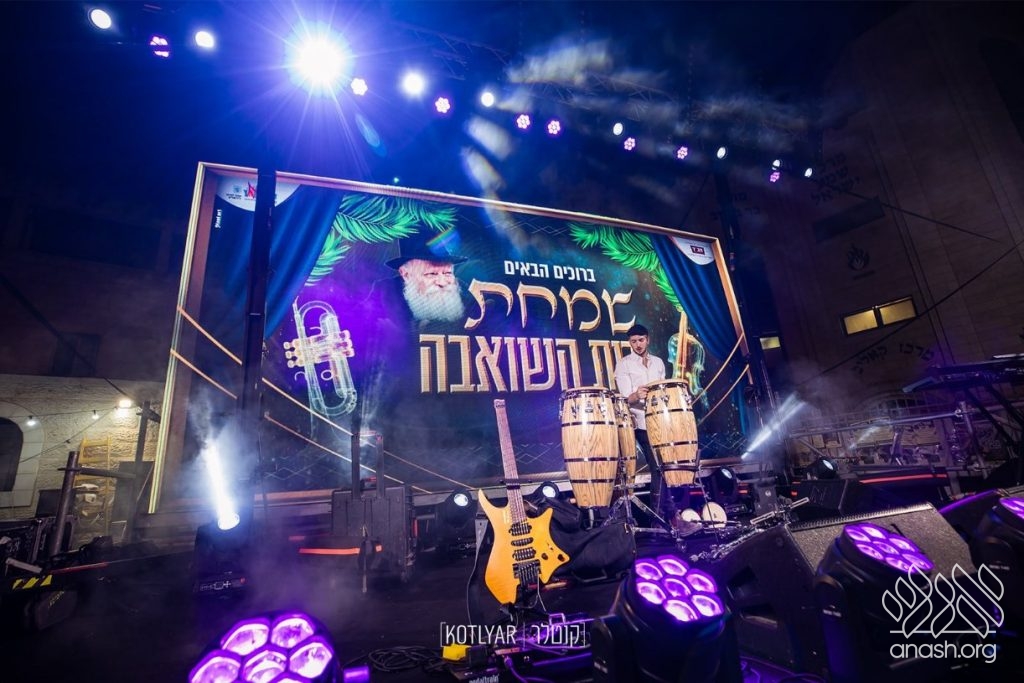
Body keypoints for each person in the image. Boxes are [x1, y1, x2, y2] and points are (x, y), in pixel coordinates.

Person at [613, 323, 675, 523]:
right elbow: (624, 399)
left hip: (660, 420)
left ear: (647, 339)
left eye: (640, 340)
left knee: (665, 467)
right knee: (656, 467)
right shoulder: (624, 364)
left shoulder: (658, 362)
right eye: (633, 341)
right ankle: (659, 517)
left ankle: (667, 516)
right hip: (639, 422)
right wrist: (636, 395)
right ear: (629, 343)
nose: (638, 345)